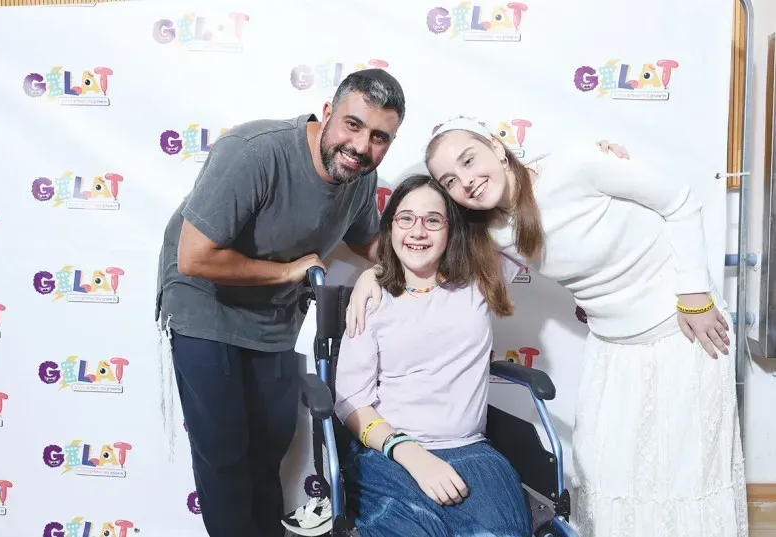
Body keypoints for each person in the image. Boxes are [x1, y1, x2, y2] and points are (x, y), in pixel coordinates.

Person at [347, 117, 748, 537]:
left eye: (470, 160)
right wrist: (370, 276)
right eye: (450, 180)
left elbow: (680, 202)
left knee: (688, 471)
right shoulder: (488, 233)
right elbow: (416, 250)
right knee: (606, 474)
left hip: (682, 324)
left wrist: (695, 295)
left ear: (499, 148)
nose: (466, 181)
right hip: (612, 346)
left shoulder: (577, 165)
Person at [155, 68, 406, 537]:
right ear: (328, 112)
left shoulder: (357, 176)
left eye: (379, 137)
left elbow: (370, 242)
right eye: (352, 125)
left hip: (271, 315)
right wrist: (287, 272)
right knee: (225, 453)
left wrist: (405, 259)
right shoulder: (254, 152)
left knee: (269, 443)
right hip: (204, 305)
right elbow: (193, 258)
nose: (361, 146)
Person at [334, 174, 532, 537]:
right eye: (405, 218)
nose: (417, 231)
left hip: (471, 450)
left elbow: (523, 216)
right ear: (390, 227)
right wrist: (408, 452)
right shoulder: (371, 299)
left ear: (451, 229)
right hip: (389, 453)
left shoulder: (482, 280)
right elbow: (351, 402)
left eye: (433, 220)